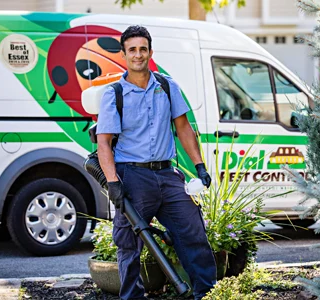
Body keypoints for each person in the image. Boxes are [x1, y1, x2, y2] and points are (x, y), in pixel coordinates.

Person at [96, 25, 217, 300]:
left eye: (142, 49)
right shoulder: (113, 93)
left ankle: (206, 293)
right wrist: (114, 183)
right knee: (129, 244)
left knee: (193, 232)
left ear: (150, 52)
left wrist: (199, 166)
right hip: (133, 176)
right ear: (124, 54)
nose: (138, 55)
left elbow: (183, 127)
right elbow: (103, 142)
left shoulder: (166, 85)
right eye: (132, 50)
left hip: (168, 175)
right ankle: (132, 297)